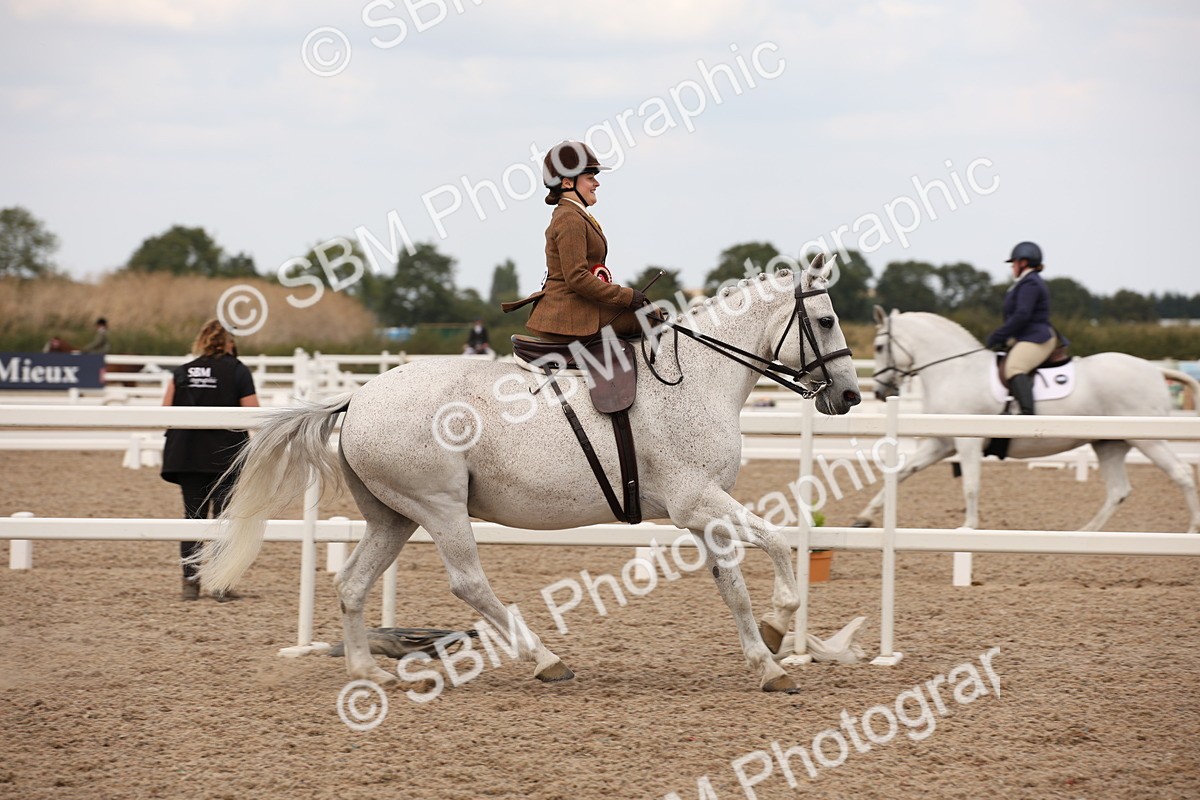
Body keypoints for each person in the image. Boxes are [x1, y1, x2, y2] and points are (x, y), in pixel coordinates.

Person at [502, 140, 650, 342]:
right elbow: (577, 277)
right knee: (651, 317)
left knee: (650, 313)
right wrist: (625, 296)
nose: (597, 183)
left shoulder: (576, 214)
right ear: (567, 183)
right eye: (590, 178)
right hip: (570, 313)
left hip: (580, 307)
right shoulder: (569, 218)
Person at [161, 319, 259, 601]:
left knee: (192, 515)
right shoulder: (238, 370)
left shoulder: (183, 371)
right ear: (230, 343)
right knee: (225, 517)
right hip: (226, 454)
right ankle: (220, 584)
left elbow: (165, 413)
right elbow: (252, 413)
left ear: (201, 342)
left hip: (187, 453)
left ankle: (190, 583)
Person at [985, 241, 1061, 415]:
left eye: (1014, 263)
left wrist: (999, 335)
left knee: (1014, 368)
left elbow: (1022, 315)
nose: (1012, 268)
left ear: (1023, 262)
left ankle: (1027, 416)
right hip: (1026, 336)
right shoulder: (1025, 282)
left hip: (1037, 337)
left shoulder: (1030, 283)